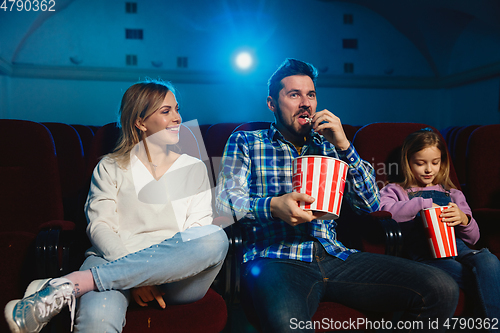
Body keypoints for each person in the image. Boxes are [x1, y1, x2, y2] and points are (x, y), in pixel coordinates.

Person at [216, 58, 459, 333]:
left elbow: (371, 205)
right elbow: (225, 204)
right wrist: (273, 206)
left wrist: (344, 145)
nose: (305, 102)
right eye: (294, 94)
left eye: (311, 95)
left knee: (441, 288)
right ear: (272, 103)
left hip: (335, 255)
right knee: (287, 325)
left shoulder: (330, 144)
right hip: (277, 258)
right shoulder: (248, 142)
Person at [4, 79, 229, 333]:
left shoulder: (193, 167)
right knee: (98, 322)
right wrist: (134, 278)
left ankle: (72, 283)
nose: (177, 118)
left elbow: (195, 230)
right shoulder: (109, 166)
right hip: (111, 258)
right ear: (140, 122)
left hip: (175, 275)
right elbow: (100, 227)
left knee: (213, 237)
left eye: (177, 109)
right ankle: (81, 285)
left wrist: (148, 274)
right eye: (166, 111)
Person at [379, 127, 500, 323]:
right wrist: (421, 204)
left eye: (435, 163)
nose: (429, 169)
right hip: (424, 254)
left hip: (457, 246)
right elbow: (387, 211)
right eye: (420, 163)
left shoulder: (452, 193)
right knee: (473, 276)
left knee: (489, 261)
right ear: (408, 162)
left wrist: (464, 219)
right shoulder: (395, 190)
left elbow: (474, 238)